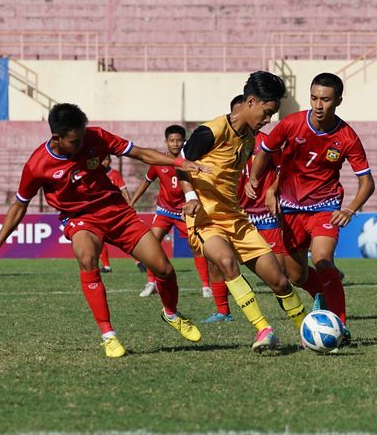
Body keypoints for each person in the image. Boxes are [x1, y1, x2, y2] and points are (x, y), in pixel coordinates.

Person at [0, 103, 206, 358]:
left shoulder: (95, 136)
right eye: (75, 141)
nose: (83, 142)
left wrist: (179, 162)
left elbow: (141, 154)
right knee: (87, 258)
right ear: (57, 138)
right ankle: (109, 336)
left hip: (116, 211)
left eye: (84, 135)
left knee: (164, 269)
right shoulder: (37, 165)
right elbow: (19, 205)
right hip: (80, 218)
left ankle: (171, 313)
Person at [178, 71, 307, 352]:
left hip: (235, 218)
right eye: (267, 112)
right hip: (204, 217)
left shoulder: (251, 138)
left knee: (280, 281)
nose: (269, 119)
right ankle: (263, 330)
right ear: (251, 101)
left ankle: (307, 331)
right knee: (226, 262)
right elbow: (180, 164)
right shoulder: (212, 130)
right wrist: (190, 195)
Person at [246, 72, 376, 343]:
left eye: (325, 99)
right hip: (290, 210)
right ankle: (320, 293)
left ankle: (339, 324)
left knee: (323, 260)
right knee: (296, 275)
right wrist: (256, 179)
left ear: (338, 100)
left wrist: (349, 209)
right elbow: (265, 152)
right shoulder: (291, 124)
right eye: (314, 98)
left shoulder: (347, 136)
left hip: (324, 208)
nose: (319, 105)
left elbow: (367, 183)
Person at [129, 125, 217, 302]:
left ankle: (206, 286)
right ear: (166, 142)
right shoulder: (159, 161)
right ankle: (151, 283)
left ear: (184, 141)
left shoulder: (192, 161)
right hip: (164, 211)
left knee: (197, 248)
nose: (175, 144)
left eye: (178, 140)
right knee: (150, 244)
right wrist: (131, 202)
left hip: (185, 212)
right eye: (172, 140)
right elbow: (146, 182)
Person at [98, 155, 146, 273]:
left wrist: (130, 205)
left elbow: (124, 190)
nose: (104, 162)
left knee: (124, 238)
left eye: (106, 159)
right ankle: (106, 266)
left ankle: (138, 261)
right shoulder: (96, 175)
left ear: (110, 160)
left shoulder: (114, 174)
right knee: (99, 239)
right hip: (101, 212)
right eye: (102, 159)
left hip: (115, 212)